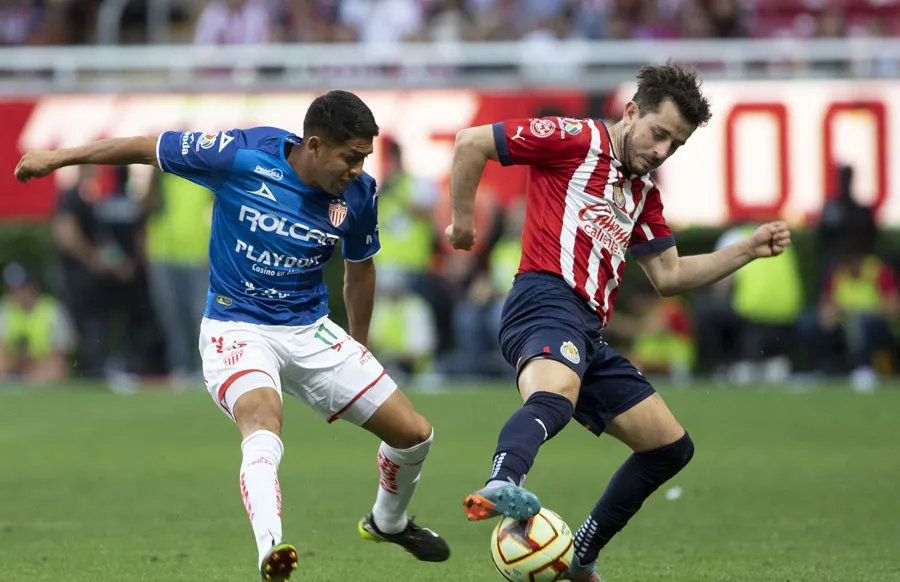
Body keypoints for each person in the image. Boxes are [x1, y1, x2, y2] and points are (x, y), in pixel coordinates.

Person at [15, 90, 450, 581]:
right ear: (314, 145)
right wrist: (56, 157)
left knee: (415, 436)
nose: (357, 168)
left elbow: (359, 269)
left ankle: (387, 522)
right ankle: (272, 548)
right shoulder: (240, 155)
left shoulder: (360, 193)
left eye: (364, 158)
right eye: (350, 157)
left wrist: (359, 343)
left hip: (309, 329)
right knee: (264, 423)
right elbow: (145, 147)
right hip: (236, 326)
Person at [444, 63, 792, 581]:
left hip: (587, 330)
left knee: (669, 448)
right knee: (553, 399)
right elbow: (472, 142)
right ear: (631, 112)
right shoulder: (575, 137)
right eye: (658, 134)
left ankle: (581, 555)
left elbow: (669, 276)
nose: (660, 151)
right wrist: (464, 222)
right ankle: (501, 481)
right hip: (543, 300)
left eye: (674, 145)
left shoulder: (643, 193)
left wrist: (746, 249)